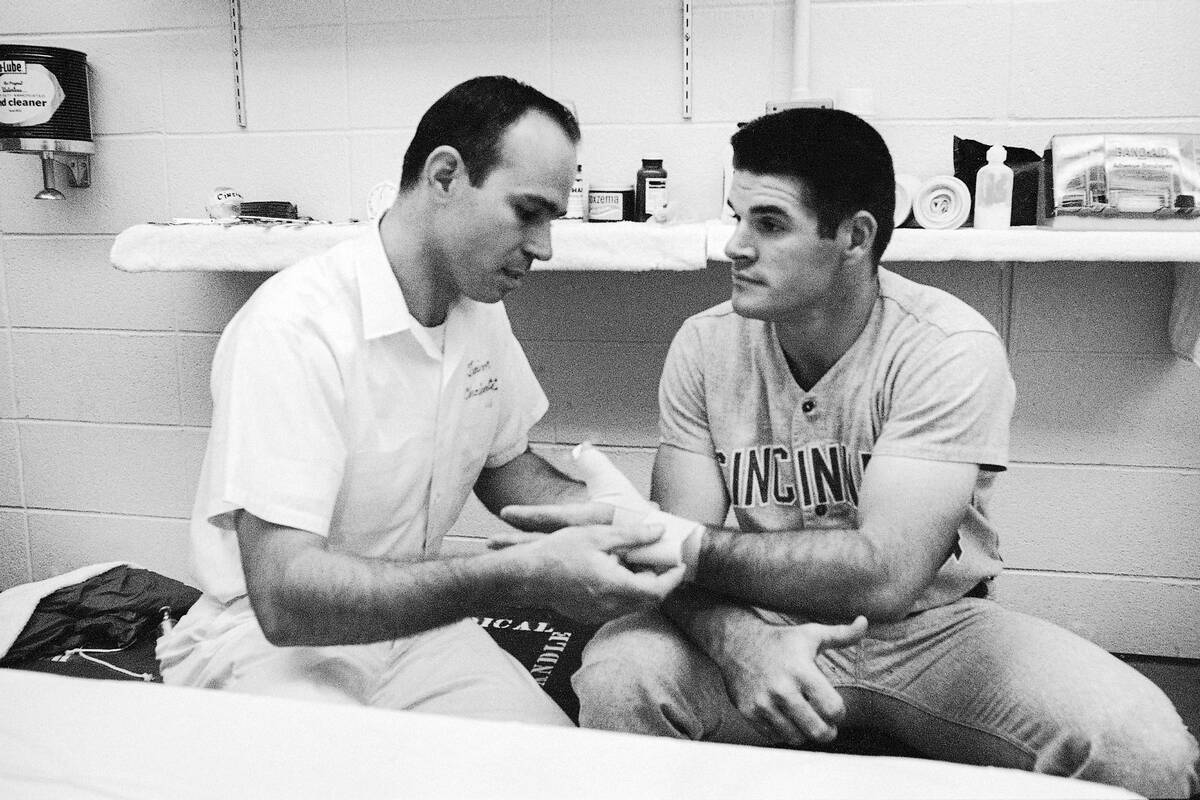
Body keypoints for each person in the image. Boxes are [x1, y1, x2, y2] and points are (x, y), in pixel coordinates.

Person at [503, 108, 1199, 795]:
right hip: (754, 613)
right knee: (622, 679)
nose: (735, 245)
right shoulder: (706, 344)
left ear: (854, 236)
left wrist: (678, 543)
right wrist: (737, 639)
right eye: (735, 215)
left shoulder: (945, 347)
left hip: (932, 632)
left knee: (1142, 750)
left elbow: (884, 576)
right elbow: (673, 570)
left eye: (769, 224)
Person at [156, 75, 683, 727]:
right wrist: (520, 577)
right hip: (275, 647)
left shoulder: (477, 310)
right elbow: (286, 600)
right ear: (444, 177)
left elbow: (505, 466)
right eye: (528, 211)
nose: (545, 247)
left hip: (418, 629)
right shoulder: (297, 327)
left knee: (556, 772)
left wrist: (621, 522)